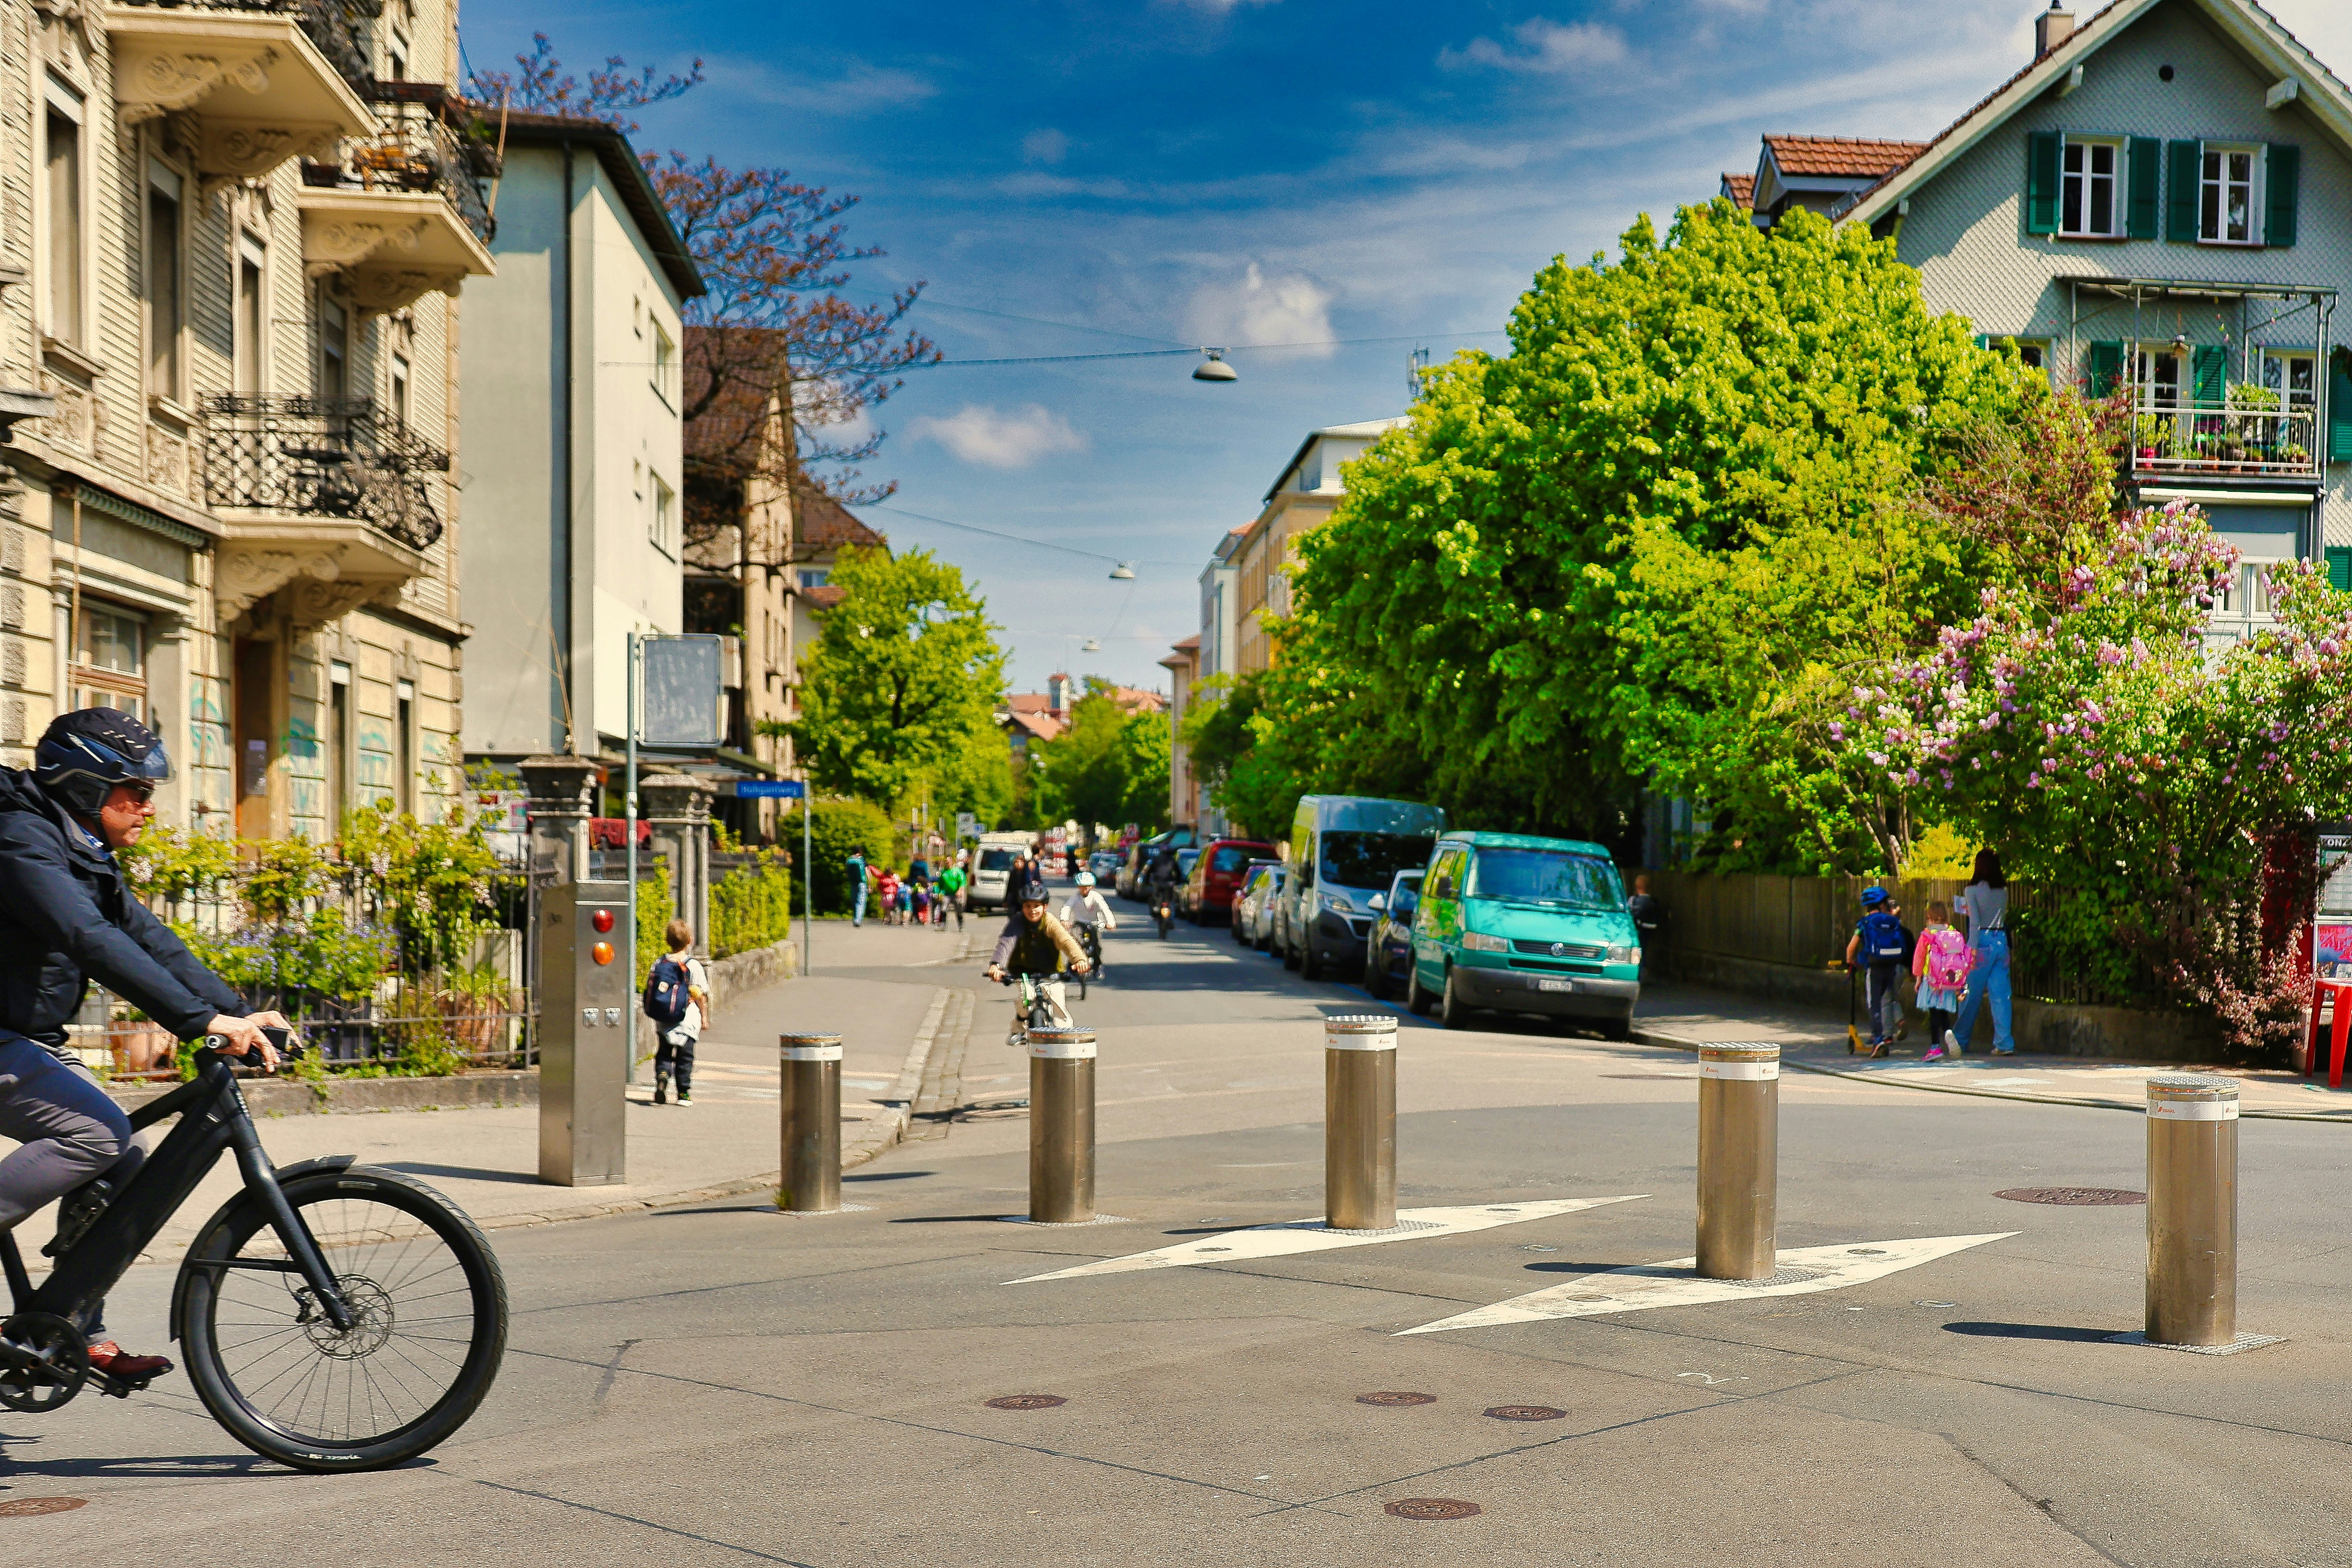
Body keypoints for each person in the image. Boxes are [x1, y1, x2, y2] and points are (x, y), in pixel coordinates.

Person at [0, 709, 290, 1383]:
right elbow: (88, 940)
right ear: (84, 786)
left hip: (22, 1038)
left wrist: (240, 1013)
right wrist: (200, 1023)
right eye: (135, 791)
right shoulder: (20, 843)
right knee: (96, 1135)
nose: (148, 808)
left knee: (125, 1151)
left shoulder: (81, 850)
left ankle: (65, 1330)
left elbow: (146, 936)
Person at [984, 874, 1091, 1045]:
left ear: (1045, 907)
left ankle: (1066, 1039)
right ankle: (1018, 1028)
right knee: (1025, 999)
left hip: (1051, 971)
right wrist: (996, 966)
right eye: (1028, 906)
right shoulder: (1017, 921)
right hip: (1023, 971)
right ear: (1022, 907)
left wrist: (1080, 960)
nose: (1032, 910)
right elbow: (1006, 943)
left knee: (1057, 1000)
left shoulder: (1050, 922)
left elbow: (1066, 941)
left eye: (1037, 906)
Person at [1951, 849, 2016, 1056]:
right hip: (2001, 941)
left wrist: (1970, 950)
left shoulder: (1971, 890)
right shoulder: (2003, 891)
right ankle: (2004, 1043)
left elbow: (1975, 924)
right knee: (2001, 995)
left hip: (1982, 942)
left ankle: (1960, 1040)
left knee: (1970, 994)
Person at [649, 920, 711, 1106]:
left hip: (664, 1018)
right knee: (685, 1057)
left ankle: (662, 1075)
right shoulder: (694, 966)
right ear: (690, 941)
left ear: (668, 940)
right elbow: (700, 995)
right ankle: (683, 1093)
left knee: (664, 1053)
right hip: (687, 1019)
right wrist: (704, 1018)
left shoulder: (659, 963)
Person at [1843, 886, 1909, 1058]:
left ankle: (1879, 1040)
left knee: (1875, 1005)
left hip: (1875, 967)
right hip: (1892, 966)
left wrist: (1851, 961)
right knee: (1888, 999)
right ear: (1882, 904)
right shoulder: (1892, 921)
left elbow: (1852, 947)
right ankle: (1893, 1026)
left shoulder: (1864, 923)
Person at [1913, 900, 1971, 1063]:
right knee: (1943, 1011)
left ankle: (1934, 1047)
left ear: (1929, 918)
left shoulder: (1927, 934)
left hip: (1932, 980)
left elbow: (1919, 957)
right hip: (1949, 981)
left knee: (1933, 1013)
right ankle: (1948, 1032)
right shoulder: (1953, 932)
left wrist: (1918, 978)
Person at [1062, 870, 1117, 975]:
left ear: (1092, 887)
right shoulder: (1075, 897)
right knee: (1075, 944)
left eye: (1088, 887)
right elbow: (1067, 907)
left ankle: (1098, 967)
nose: (1085, 889)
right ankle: (1070, 967)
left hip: (1095, 923)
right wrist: (1064, 919)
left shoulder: (1096, 897)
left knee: (1096, 945)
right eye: (1082, 887)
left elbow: (1105, 909)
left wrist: (1111, 922)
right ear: (1078, 887)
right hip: (1080, 923)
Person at [1626, 873, 1664, 982]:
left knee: (1636, 951)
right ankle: (1643, 970)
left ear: (1637, 886)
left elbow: (1629, 914)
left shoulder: (1634, 900)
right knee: (1644, 950)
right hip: (1650, 929)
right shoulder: (1654, 901)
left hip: (1637, 929)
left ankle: (1636, 975)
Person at [936, 858, 967, 931]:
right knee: (943, 909)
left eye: (949, 861)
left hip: (956, 894)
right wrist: (939, 893)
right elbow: (940, 885)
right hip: (946, 894)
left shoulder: (958, 871)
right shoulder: (943, 872)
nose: (948, 863)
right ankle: (943, 924)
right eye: (946, 862)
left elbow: (963, 882)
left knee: (958, 909)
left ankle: (961, 924)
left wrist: (960, 890)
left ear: (952, 862)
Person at [847, 846, 870, 927]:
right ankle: (858, 920)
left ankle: (855, 917)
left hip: (853, 883)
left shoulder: (849, 860)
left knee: (854, 901)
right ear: (860, 851)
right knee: (861, 902)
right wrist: (870, 884)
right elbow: (867, 872)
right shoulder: (862, 859)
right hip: (862, 883)